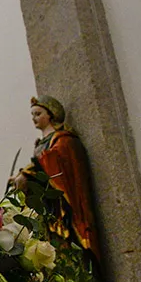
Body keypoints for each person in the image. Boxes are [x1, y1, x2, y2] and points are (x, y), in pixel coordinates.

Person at [11, 95, 102, 264]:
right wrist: (22, 179)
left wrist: (27, 173)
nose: (34, 119)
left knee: (74, 249)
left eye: (38, 114)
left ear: (51, 115)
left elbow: (51, 163)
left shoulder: (63, 140)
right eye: (33, 115)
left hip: (67, 207)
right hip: (51, 209)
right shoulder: (41, 143)